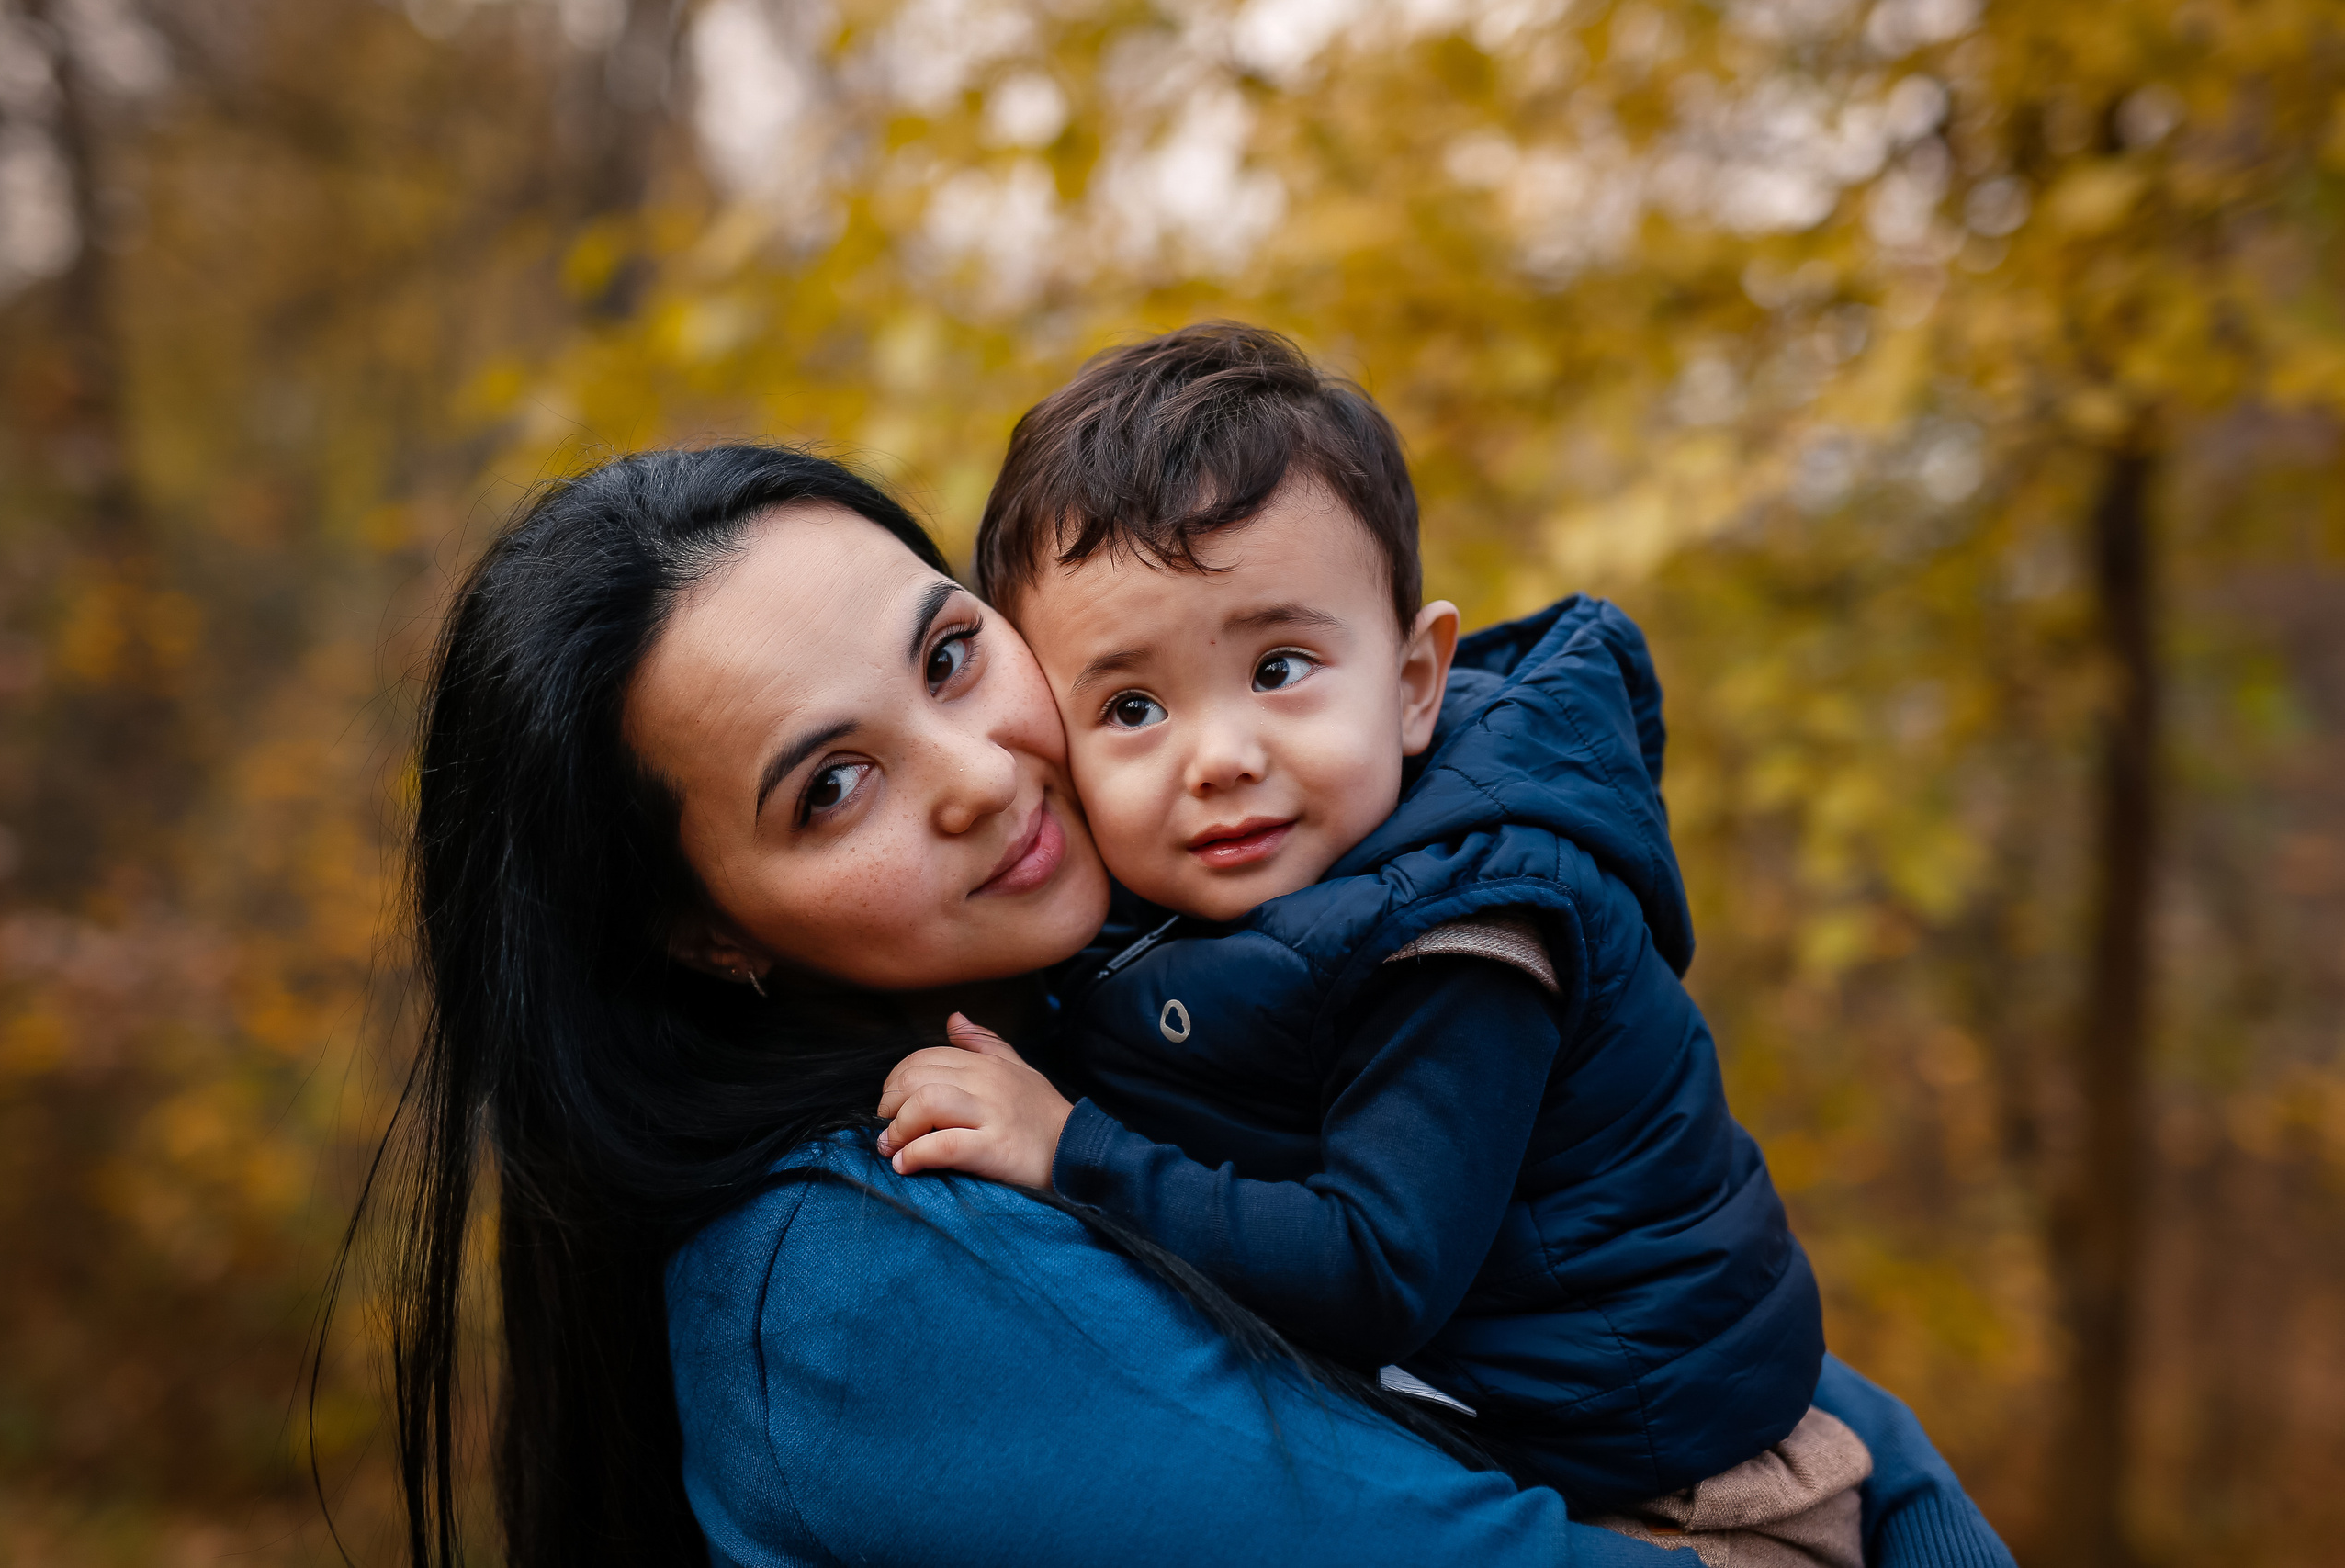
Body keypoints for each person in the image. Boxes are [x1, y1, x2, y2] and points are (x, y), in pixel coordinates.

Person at [377, 440, 2015, 1567]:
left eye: (949, 657)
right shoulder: (853, 1289)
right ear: (703, 936)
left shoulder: (1158, 998)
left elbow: (1675, 1336)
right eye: (831, 788)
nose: (977, 774)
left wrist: (1893, 1472)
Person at [874, 324, 1847, 1561]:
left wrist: (1069, 1147)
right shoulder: (1192, 904)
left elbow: (1374, 1264)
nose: (1220, 756)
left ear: (1413, 681)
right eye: (1132, 707)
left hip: (1691, 1495)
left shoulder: (1465, 935)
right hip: (1503, 1435)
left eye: (1280, 666)